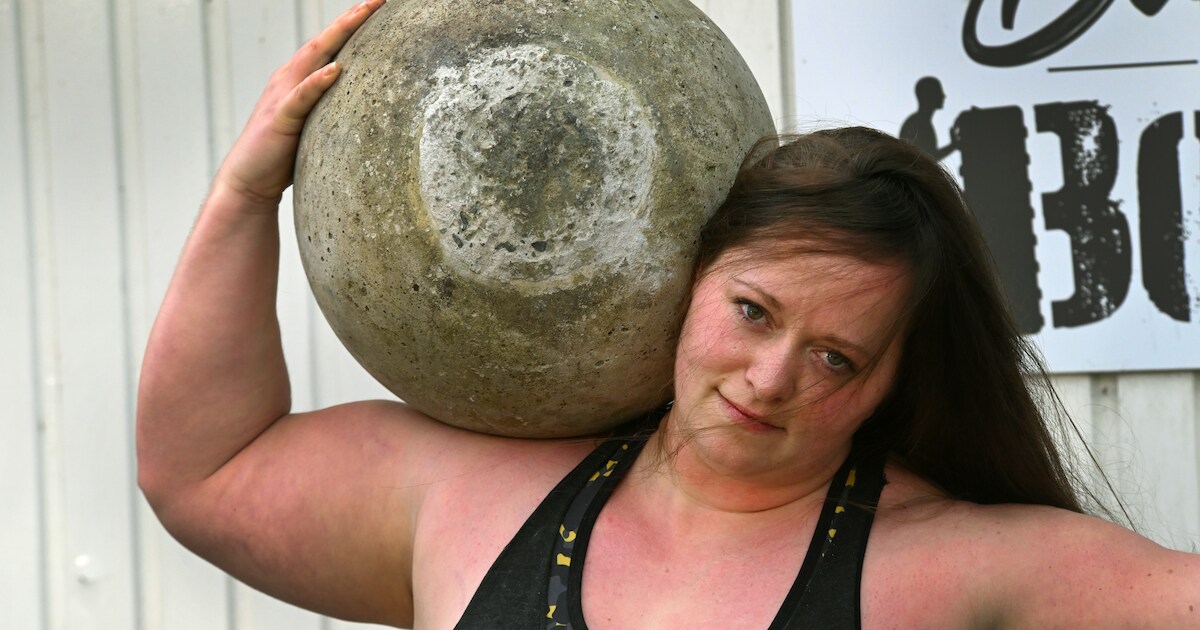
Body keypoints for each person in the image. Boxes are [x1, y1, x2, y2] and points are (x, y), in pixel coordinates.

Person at [136, 2, 1199, 628]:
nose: (771, 377)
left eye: (837, 357)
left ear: (892, 382)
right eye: (752, 310)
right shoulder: (477, 495)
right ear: (689, 278)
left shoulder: (949, 562)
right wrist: (244, 197)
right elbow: (205, 467)